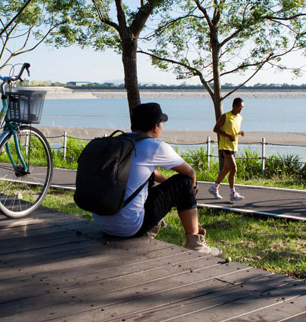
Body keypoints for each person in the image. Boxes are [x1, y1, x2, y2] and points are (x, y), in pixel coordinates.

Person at [90, 102, 222, 256]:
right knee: (184, 182)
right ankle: (196, 243)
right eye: (161, 124)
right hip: (128, 227)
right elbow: (190, 173)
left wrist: (169, 189)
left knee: (153, 185)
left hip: (103, 222)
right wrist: (189, 190)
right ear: (155, 127)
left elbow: (144, 171)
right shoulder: (154, 146)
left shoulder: (120, 143)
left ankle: (149, 230)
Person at [208, 98, 245, 201]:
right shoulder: (226, 116)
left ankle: (214, 188)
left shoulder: (239, 118)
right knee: (234, 168)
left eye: (242, 108)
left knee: (226, 170)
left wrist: (239, 133)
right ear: (233, 106)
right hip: (225, 146)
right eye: (239, 107)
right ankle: (232, 193)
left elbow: (233, 130)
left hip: (234, 146)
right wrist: (227, 136)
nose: (240, 110)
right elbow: (215, 129)